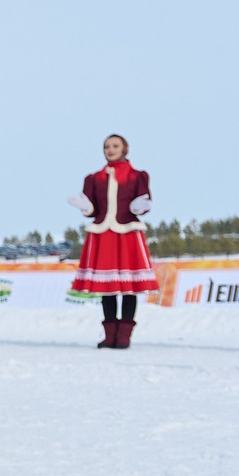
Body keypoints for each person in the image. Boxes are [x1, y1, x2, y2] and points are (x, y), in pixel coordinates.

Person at [69, 135, 155, 349]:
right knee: (107, 286)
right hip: (103, 233)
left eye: (115, 146)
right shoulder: (94, 178)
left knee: (128, 286)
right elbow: (92, 211)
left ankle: (124, 335)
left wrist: (139, 206)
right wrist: (84, 206)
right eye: (107, 146)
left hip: (127, 232)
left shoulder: (138, 176)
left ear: (125, 148)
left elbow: (143, 202)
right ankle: (109, 335)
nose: (110, 149)